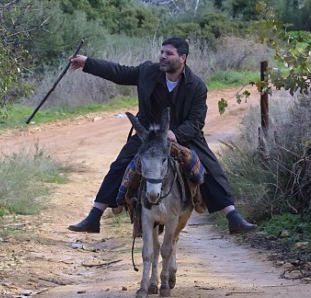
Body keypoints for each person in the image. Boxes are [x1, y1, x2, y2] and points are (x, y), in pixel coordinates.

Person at [67, 36, 257, 234]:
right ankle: (94, 217)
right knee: (120, 165)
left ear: (182, 58)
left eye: (169, 53)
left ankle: (233, 217)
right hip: (148, 135)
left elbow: (196, 121)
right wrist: (87, 62)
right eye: (162, 52)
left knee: (211, 168)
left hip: (183, 136)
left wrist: (177, 133)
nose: (163, 57)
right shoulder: (147, 72)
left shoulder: (196, 86)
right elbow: (119, 72)